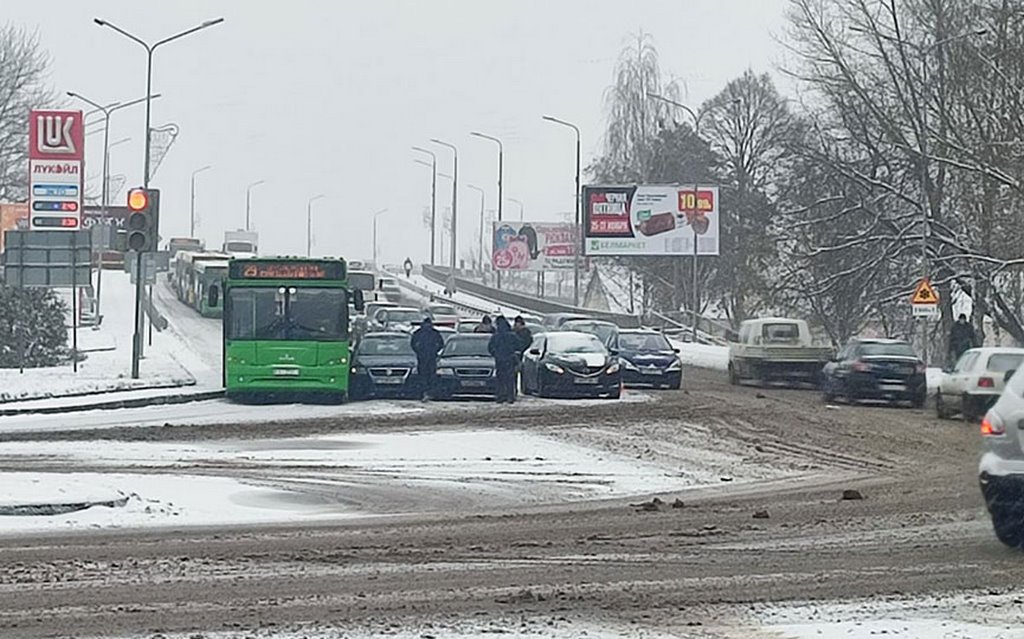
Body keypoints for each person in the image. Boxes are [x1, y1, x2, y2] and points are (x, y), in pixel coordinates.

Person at [489, 316, 521, 404]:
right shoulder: (512, 335)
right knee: (510, 379)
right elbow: (519, 346)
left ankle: (500, 396)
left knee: (500, 379)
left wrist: (496, 354)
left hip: (499, 360)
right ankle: (510, 396)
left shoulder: (496, 336)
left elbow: (490, 348)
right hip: (510, 360)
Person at [411, 316, 445, 400]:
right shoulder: (435, 333)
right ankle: (430, 392)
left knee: (422, 376)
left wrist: (418, 351)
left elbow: (413, 344)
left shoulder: (418, 333)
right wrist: (435, 351)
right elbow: (441, 344)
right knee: (431, 376)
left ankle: (423, 392)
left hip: (422, 357)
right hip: (431, 357)